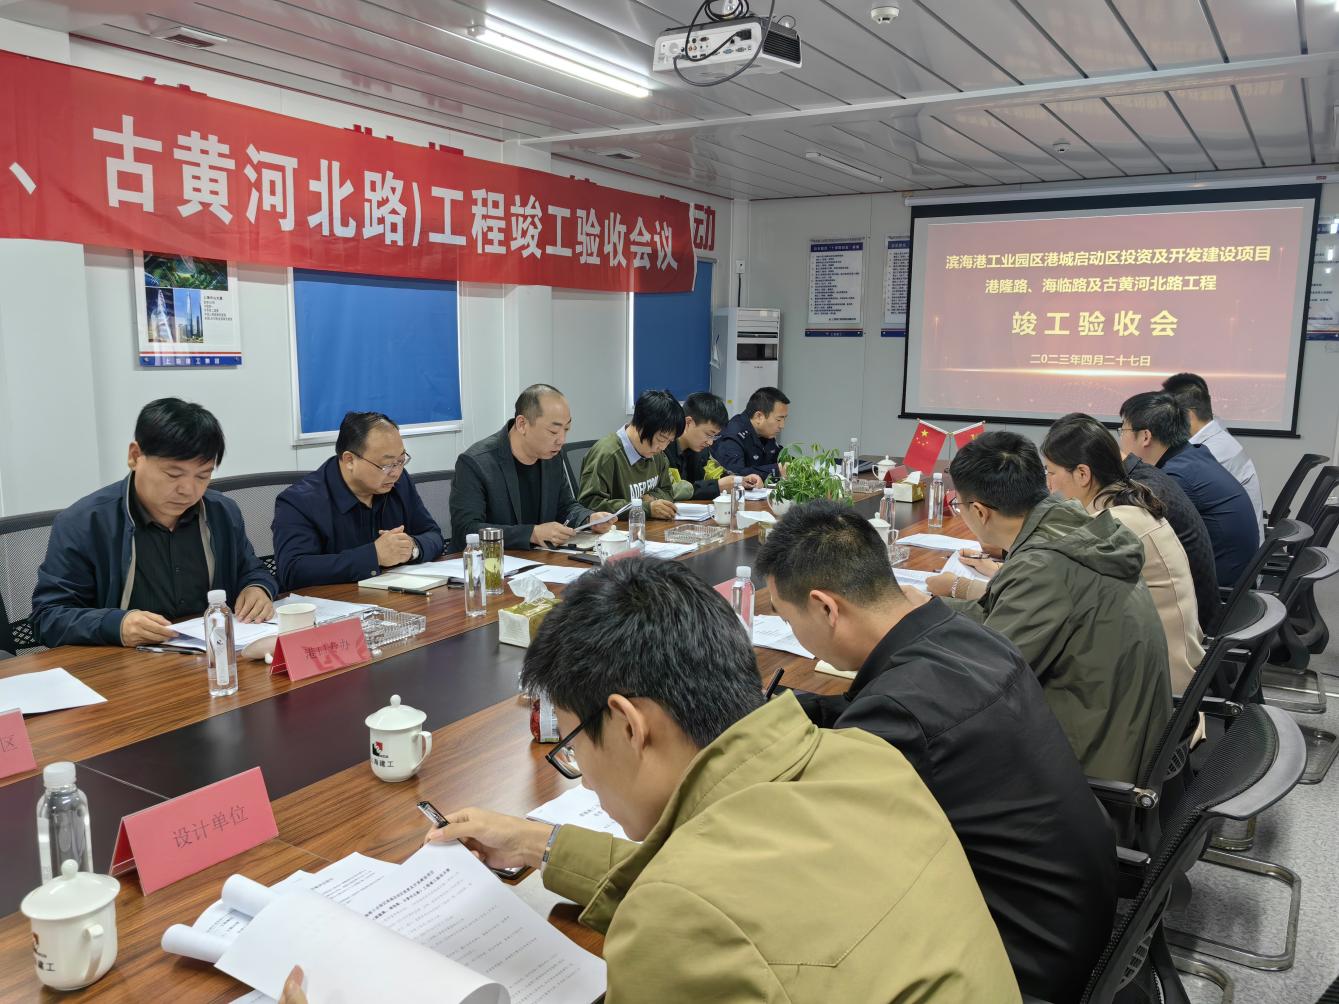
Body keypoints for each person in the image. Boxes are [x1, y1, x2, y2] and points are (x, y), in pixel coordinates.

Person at [281, 557, 1014, 1002]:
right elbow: (731, 879)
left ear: (630, 726)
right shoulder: (862, 760)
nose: (584, 776)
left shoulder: (677, 920)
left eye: (574, 741)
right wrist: (542, 844)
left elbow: (699, 900)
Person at [756, 501, 1116, 1002]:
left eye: (786, 615)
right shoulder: (965, 637)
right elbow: (885, 712)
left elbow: (811, 851)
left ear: (825, 608)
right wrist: (792, 709)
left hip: (1017, 963)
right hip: (1071, 919)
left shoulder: (898, 716)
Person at [937, 431, 1172, 783]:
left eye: (959, 505)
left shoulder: (1044, 567)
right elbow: (1001, 616)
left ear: (980, 511)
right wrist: (928, 610)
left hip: (1087, 764)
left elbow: (984, 682)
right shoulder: (1070, 526)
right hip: (1117, 730)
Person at [31, 398, 276, 648]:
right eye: (173, 474)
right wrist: (116, 625)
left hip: (214, 655)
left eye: (203, 476)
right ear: (135, 456)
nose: (188, 490)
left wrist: (257, 588)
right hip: (126, 663)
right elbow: (48, 617)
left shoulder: (221, 512)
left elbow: (251, 570)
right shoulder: (85, 523)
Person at [1042, 414, 1205, 693]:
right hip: (1167, 663)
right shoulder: (1128, 502)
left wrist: (968, 586)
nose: (1048, 484)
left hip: (1157, 685)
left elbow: (1049, 598)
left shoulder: (1113, 527)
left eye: (1051, 472)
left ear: (1082, 474)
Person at [272, 412, 443, 591]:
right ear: (350, 460)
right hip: (332, 602)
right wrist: (375, 556)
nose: (396, 472)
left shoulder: (399, 483)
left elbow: (433, 535)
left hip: (393, 597)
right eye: (386, 465)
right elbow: (293, 570)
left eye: (401, 461)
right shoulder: (298, 501)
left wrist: (412, 548)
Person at [1119, 392, 1259, 588]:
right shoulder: (1192, 456)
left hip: (1218, 590)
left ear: (1145, 436)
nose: (1121, 438)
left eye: (1123, 430)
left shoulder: (1175, 478)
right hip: (1233, 579)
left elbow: (1137, 536)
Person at [449, 384, 612, 551]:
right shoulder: (476, 463)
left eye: (566, 429)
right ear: (522, 424)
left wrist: (589, 519)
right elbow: (466, 530)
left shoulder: (552, 456)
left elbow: (565, 506)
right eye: (553, 431)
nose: (562, 440)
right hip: (489, 561)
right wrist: (531, 534)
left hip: (539, 558)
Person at [1123, 452, 1221, 632]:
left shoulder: (1138, 498)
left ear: (1083, 474)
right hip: (1205, 608)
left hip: (1193, 623)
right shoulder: (1157, 475)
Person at [1163, 372, 1264, 537]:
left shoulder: (1212, 451)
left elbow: (1171, 500)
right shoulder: (1217, 439)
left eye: (1168, 416)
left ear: (1188, 415)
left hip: (1230, 546)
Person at [578, 390, 682, 519]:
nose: (663, 447)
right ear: (642, 425)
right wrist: (644, 507)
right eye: (661, 439)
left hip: (648, 527)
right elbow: (589, 504)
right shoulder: (607, 455)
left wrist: (652, 499)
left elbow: (668, 492)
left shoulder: (657, 454)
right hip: (615, 529)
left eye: (669, 441)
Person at [662, 391, 763, 500]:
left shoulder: (701, 451)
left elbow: (716, 473)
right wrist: (717, 486)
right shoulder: (661, 448)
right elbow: (669, 490)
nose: (710, 442)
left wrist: (741, 480)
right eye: (708, 434)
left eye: (714, 436)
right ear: (688, 423)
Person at [711, 386, 789, 480]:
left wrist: (797, 464)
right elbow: (734, 475)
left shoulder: (766, 434)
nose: (782, 425)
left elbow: (780, 458)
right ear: (759, 416)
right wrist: (776, 470)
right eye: (778, 419)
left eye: (784, 419)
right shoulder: (733, 436)